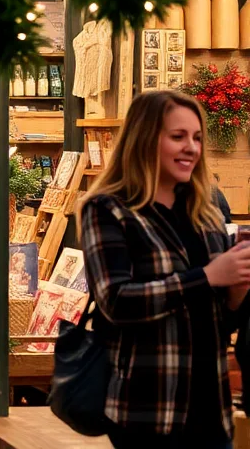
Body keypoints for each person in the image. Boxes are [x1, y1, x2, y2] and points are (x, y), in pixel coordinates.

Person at [80, 90, 250, 449]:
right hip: (149, 414)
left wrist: (237, 288)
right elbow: (117, 301)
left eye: (197, 138)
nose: (191, 147)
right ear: (144, 138)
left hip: (212, 412)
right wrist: (208, 276)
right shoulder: (108, 210)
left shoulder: (206, 211)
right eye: (178, 136)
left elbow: (222, 321)